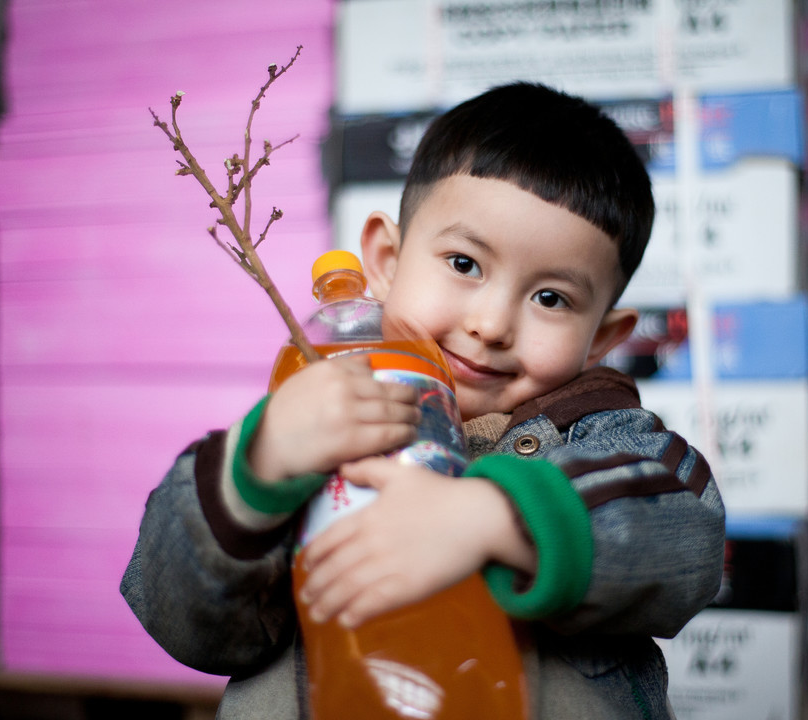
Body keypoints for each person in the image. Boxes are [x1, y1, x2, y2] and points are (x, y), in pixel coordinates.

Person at [121, 82, 725, 719]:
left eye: (551, 298)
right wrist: (256, 473)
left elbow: (689, 533)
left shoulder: (606, 440)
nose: (491, 324)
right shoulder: (311, 428)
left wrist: (493, 518)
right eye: (464, 263)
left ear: (600, 339)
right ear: (385, 259)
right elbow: (180, 618)